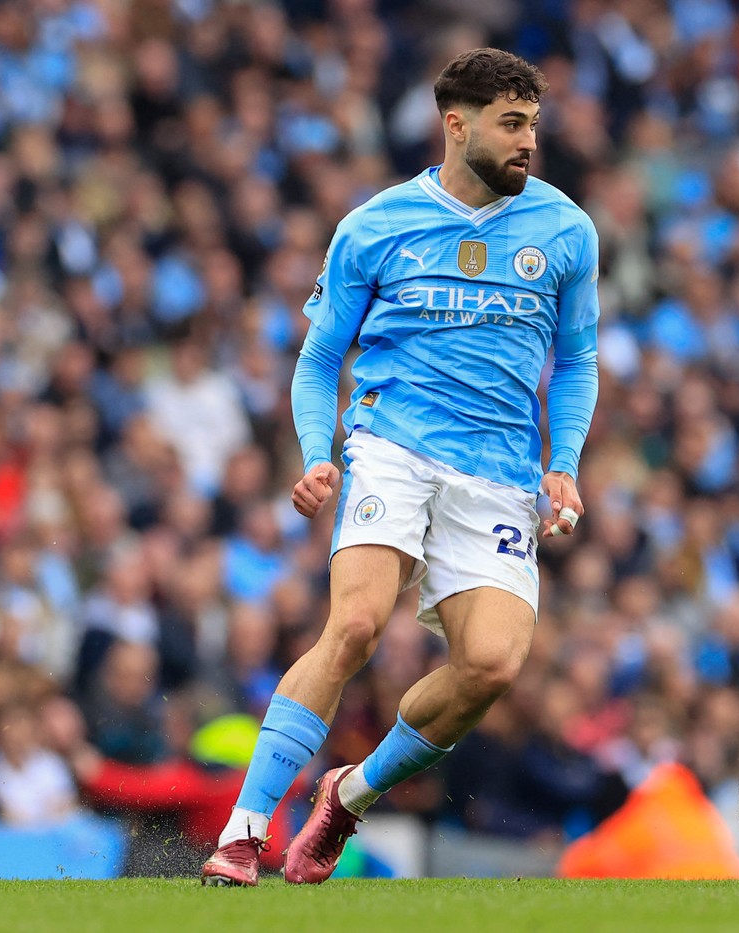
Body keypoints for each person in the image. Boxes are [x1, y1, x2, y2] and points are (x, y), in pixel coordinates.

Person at [200, 47, 600, 886]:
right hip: (392, 446)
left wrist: (562, 464)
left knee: (491, 664)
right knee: (353, 625)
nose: (529, 141)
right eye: (512, 124)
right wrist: (318, 455)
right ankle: (244, 830)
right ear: (457, 125)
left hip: (496, 473)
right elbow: (317, 361)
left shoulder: (566, 230)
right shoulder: (375, 224)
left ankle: (350, 793)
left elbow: (576, 362)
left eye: (533, 124)